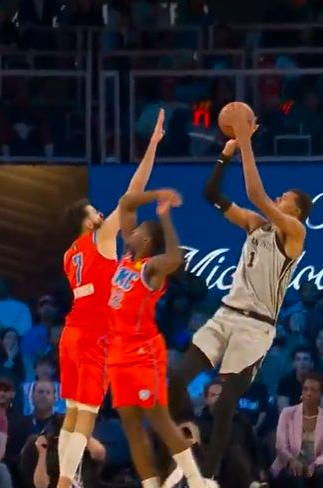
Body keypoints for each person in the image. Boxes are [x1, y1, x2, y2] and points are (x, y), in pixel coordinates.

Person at [166, 105, 311, 484]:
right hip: (227, 314)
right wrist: (226, 154)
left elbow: (254, 192)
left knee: (225, 403)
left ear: (296, 210)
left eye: (286, 197)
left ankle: (206, 477)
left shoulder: (294, 233)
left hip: (256, 328)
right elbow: (211, 193)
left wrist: (245, 139)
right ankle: (185, 441)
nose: (279, 197)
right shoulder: (254, 224)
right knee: (176, 378)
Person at [56, 108, 165, 488]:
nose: (102, 214)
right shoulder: (100, 238)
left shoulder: (69, 255)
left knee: (72, 414)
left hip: (71, 333)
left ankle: (67, 478)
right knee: (86, 416)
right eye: (95, 212)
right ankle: (65, 481)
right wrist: (152, 145)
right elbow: (133, 193)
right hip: (93, 335)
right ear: (88, 222)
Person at [106, 190, 215, 488]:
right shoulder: (127, 259)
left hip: (142, 352)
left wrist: (165, 217)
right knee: (131, 426)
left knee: (159, 420)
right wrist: (157, 193)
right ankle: (150, 485)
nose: (130, 231)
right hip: (117, 352)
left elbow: (174, 258)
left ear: (146, 240)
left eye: (137, 230)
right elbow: (126, 203)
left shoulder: (150, 269)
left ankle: (195, 480)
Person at [271, 373, 323, 487]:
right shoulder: (287, 413)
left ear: (320, 394)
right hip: (289, 463)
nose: (308, 393)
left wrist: (314, 465)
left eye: (313, 390)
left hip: (316, 466)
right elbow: (281, 446)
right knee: (294, 475)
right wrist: (291, 460)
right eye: (306, 389)